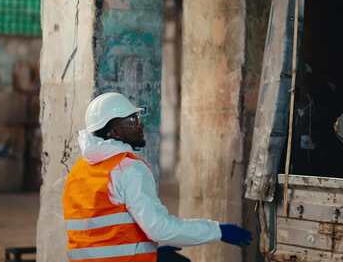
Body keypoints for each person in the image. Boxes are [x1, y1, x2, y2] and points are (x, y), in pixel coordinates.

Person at [62, 92, 252, 261]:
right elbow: (160, 229)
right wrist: (217, 230)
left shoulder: (78, 171)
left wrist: (152, 252)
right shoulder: (127, 169)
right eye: (132, 120)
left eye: (137, 117)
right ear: (115, 132)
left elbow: (99, 237)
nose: (140, 124)